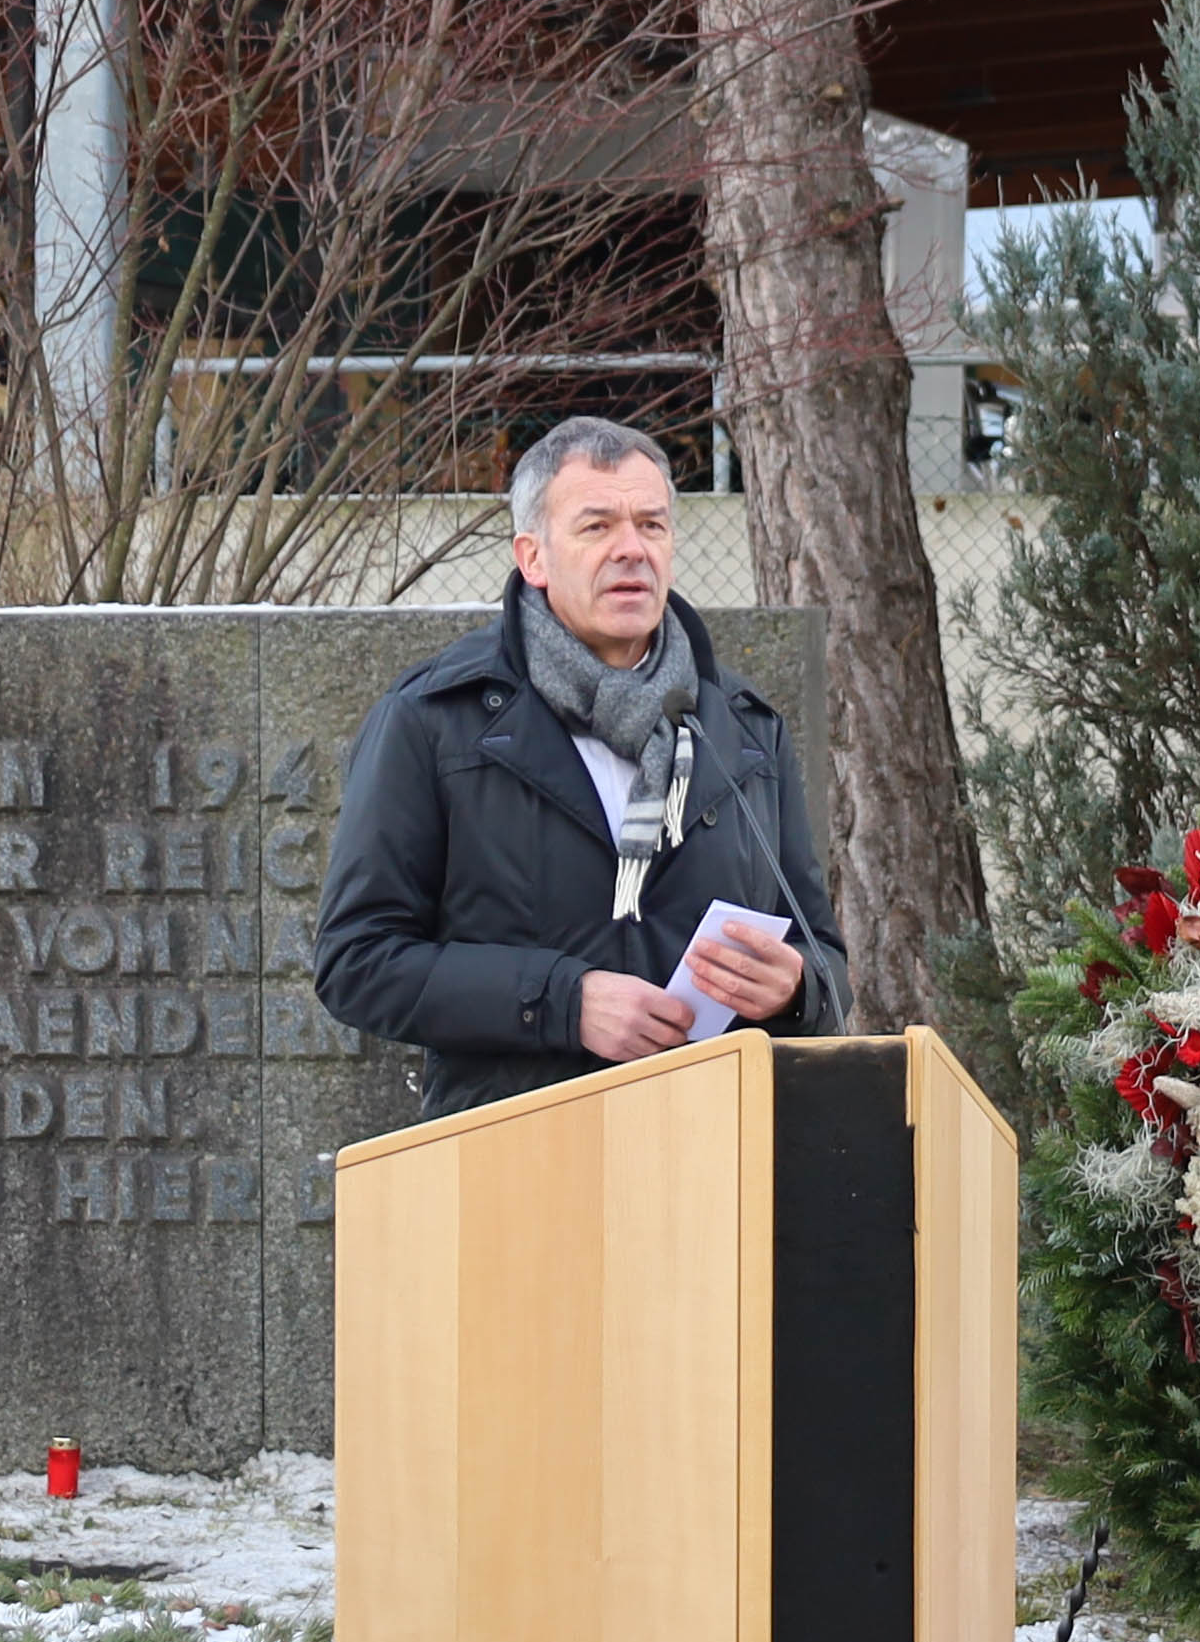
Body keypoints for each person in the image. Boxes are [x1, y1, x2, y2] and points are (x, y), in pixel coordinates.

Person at [316, 416, 850, 1118]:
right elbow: (356, 961)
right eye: (597, 527)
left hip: (716, 1149)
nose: (632, 550)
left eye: (652, 526)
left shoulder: (741, 728)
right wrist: (562, 1003)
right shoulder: (435, 720)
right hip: (517, 1156)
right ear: (533, 557)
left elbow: (827, 964)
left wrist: (795, 987)